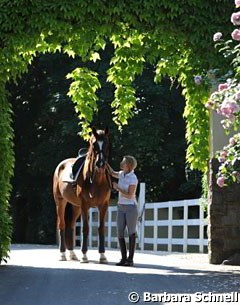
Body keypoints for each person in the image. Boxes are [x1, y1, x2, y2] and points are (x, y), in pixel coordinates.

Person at [107, 155, 138, 267]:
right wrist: (104, 160)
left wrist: (117, 188)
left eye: (124, 162)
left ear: (129, 165)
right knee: (120, 232)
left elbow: (130, 195)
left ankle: (130, 259)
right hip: (121, 206)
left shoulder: (133, 178)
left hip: (130, 207)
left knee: (131, 232)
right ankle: (123, 258)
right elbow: (111, 172)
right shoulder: (121, 174)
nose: (121, 163)